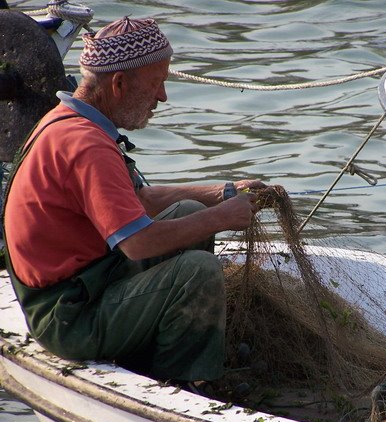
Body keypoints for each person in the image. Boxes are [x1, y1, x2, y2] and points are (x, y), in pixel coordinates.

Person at [3, 17, 264, 386]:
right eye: (157, 83)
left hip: (92, 281)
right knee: (197, 271)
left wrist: (222, 193)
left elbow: (139, 199)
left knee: (190, 212)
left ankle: (157, 348)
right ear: (119, 83)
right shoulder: (85, 145)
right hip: (69, 316)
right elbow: (138, 243)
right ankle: (183, 383)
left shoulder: (73, 121)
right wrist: (221, 218)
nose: (162, 97)